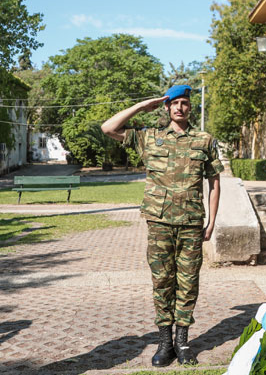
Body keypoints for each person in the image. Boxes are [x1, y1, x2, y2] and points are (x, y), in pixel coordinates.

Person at [101, 84, 223, 366]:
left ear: (191, 108)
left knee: (188, 283)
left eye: (185, 103)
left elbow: (214, 182)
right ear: (167, 108)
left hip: (192, 222)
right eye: (175, 103)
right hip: (159, 223)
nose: (180, 107)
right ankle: (165, 343)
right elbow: (108, 127)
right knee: (162, 283)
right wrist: (143, 106)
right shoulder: (150, 137)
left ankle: (182, 342)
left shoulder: (204, 140)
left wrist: (213, 220)